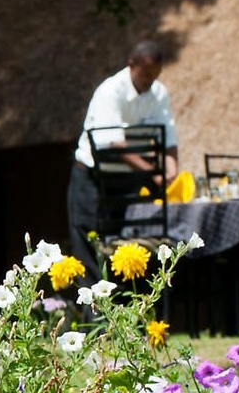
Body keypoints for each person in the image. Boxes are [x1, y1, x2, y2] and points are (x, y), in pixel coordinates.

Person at [67, 40, 178, 264]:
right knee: (90, 243)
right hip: (92, 180)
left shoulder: (158, 93)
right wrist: (153, 173)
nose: (149, 80)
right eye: (145, 74)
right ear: (131, 65)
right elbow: (113, 143)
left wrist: (172, 169)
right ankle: (94, 299)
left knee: (122, 246)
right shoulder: (110, 92)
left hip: (126, 182)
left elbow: (168, 135)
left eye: (154, 75)